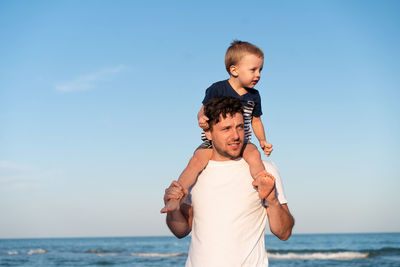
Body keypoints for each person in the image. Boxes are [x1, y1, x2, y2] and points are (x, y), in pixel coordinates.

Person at [164, 97, 294, 266]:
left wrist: (273, 201)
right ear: (209, 133)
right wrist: (173, 211)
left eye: (240, 127)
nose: (236, 136)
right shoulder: (195, 173)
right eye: (226, 129)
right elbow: (181, 231)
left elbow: (284, 233)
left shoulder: (264, 171)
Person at [161, 40, 273, 213]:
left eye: (260, 70)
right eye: (253, 70)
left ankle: (261, 181)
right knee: (195, 161)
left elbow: (255, 120)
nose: (258, 75)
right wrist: (202, 118)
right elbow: (202, 110)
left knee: (254, 154)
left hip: (243, 142)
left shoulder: (254, 96)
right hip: (213, 142)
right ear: (234, 70)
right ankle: (176, 196)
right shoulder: (217, 89)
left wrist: (263, 140)